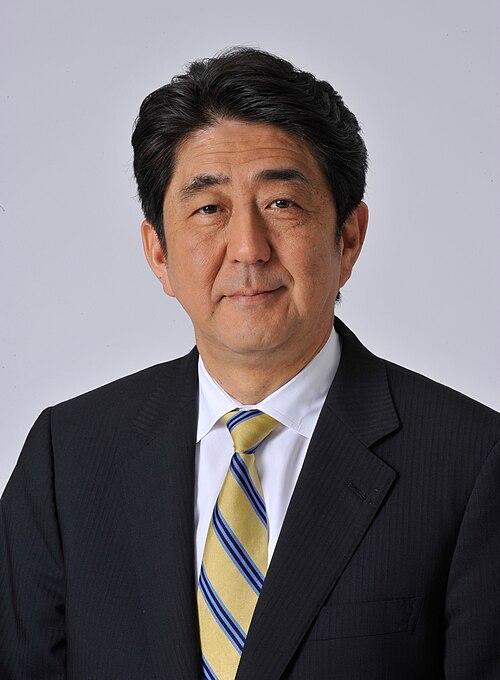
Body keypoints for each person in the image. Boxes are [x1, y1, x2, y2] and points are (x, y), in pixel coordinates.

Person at [1, 45, 499, 680]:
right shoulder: (68, 457)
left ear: (348, 238)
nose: (248, 249)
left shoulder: (473, 463)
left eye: (281, 204)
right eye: (209, 209)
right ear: (158, 252)